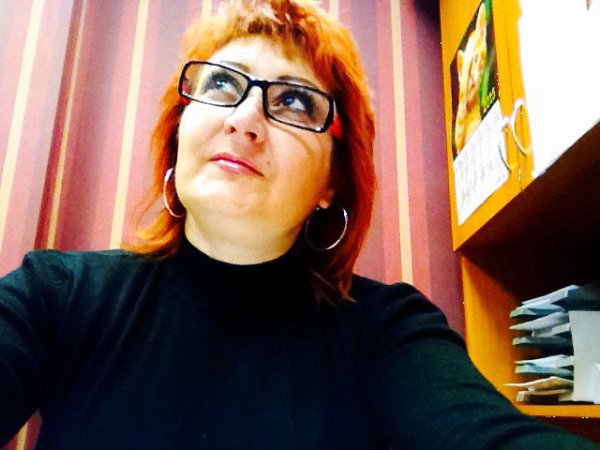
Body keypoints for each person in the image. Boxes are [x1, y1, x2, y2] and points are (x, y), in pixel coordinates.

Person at [0, 0, 596, 448]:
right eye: (221, 83)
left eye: (293, 101)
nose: (244, 120)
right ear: (178, 131)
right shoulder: (57, 296)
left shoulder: (386, 332)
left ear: (332, 182)